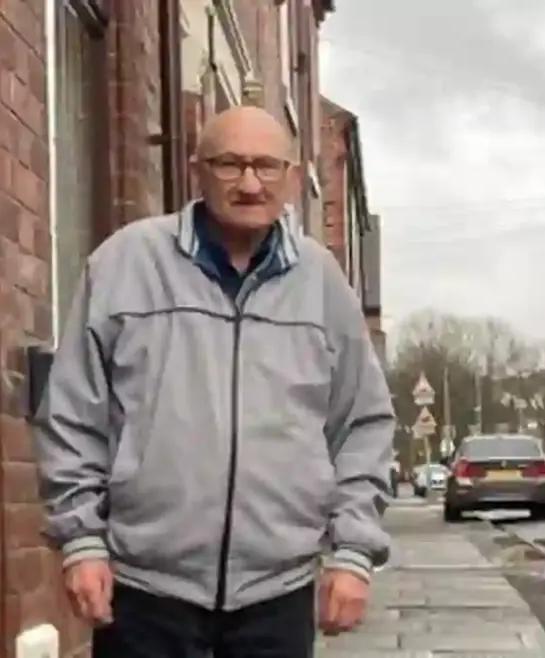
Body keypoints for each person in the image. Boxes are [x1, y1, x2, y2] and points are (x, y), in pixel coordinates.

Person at [33, 106, 396, 657]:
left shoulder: (322, 283)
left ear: (293, 178)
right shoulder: (126, 263)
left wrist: (353, 554)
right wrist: (81, 541)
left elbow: (362, 425)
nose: (250, 184)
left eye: (267, 167)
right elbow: (72, 414)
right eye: (230, 164)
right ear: (197, 169)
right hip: (143, 592)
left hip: (278, 594)